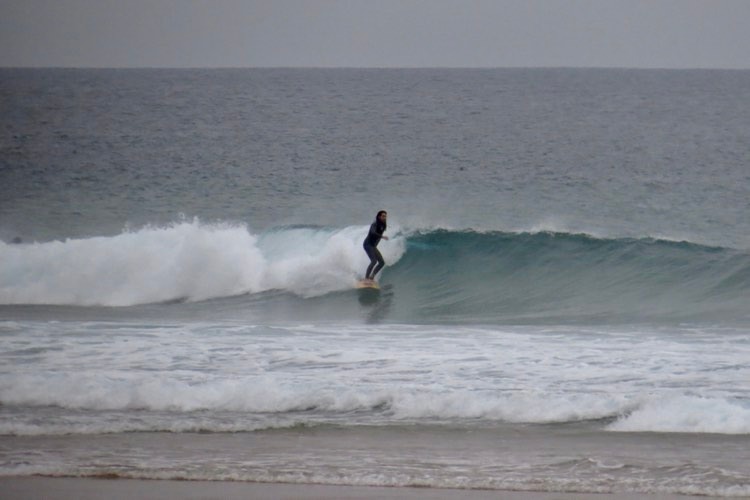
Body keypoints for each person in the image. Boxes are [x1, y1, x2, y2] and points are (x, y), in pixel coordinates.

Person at [363, 210, 389, 281]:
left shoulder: (383, 226)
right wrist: (382, 236)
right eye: (383, 216)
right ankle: (366, 278)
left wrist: (375, 245)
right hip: (368, 244)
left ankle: (372, 277)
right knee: (374, 261)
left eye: (385, 216)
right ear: (379, 216)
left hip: (373, 246)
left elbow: (377, 238)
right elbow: (372, 232)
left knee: (382, 262)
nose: (385, 217)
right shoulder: (375, 224)